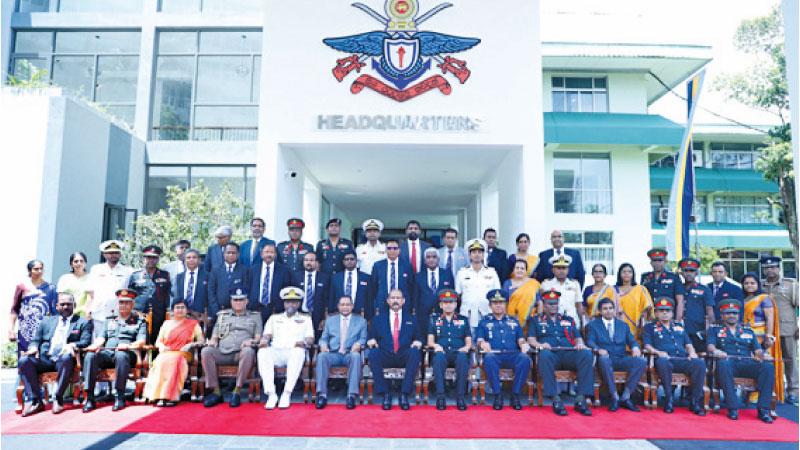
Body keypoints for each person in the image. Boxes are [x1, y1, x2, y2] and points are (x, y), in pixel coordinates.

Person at [18, 292, 91, 416]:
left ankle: (58, 398)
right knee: (24, 360)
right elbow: (36, 339)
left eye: (69, 304)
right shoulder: (47, 321)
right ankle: (36, 400)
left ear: (74, 305)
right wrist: (33, 347)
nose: (66, 307)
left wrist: (73, 345)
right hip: (46, 358)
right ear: (57, 306)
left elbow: (85, 341)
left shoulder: (82, 322)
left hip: (64, 360)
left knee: (67, 357)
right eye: (62, 304)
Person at [707, 299, 775, 423]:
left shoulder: (748, 331)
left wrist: (763, 355)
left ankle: (763, 410)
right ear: (722, 315)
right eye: (728, 313)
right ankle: (733, 408)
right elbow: (710, 346)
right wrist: (717, 351)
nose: (732, 316)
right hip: (728, 362)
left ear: (738, 315)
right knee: (723, 363)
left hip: (746, 363)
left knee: (768, 366)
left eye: (734, 313)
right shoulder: (715, 330)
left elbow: (757, 350)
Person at [528, 290, 593, 416]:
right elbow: (531, 339)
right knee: (544, 355)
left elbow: (577, 337)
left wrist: (580, 344)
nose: (553, 306)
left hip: (568, 353)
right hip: (551, 354)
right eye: (549, 303)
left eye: (555, 303)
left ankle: (580, 399)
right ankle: (556, 399)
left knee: (586, 354)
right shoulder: (536, 320)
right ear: (544, 304)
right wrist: (540, 345)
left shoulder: (568, 319)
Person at [82, 289, 146, 412]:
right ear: (117, 304)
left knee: (121, 355)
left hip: (127, 353)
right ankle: (89, 397)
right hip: (108, 352)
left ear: (132, 304)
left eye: (127, 303)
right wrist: (95, 345)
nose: (123, 305)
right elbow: (101, 337)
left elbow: (141, 341)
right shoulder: (109, 320)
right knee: (90, 356)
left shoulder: (139, 321)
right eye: (121, 302)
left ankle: (120, 396)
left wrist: (128, 346)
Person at [642, 297, 707, 415]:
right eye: (661, 311)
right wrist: (658, 352)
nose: (665, 313)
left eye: (667, 310)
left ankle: (695, 401)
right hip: (665, 359)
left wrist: (692, 352)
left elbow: (688, 344)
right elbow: (647, 346)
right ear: (656, 313)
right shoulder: (650, 327)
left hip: (682, 359)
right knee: (662, 361)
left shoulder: (679, 327)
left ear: (672, 313)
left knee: (700, 363)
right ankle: (668, 399)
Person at [201, 287, 262, 408]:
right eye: (235, 300)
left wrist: (252, 341)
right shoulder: (222, 316)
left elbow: (258, 337)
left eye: (241, 300)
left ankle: (237, 391)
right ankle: (216, 392)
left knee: (249, 351)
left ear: (246, 301)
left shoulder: (255, 316)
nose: (238, 302)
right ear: (231, 301)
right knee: (206, 351)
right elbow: (214, 336)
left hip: (240, 354)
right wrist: (212, 342)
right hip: (223, 352)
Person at [257, 287, 314, 410]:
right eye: (288, 302)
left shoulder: (306, 319)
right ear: (284, 303)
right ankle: (271, 394)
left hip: (293, 351)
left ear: (298, 304)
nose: (291, 304)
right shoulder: (274, 318)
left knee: (298, 352)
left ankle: (286, 393)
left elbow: (310, 338)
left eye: (294, 302)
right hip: (276, 350)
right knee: (262, 352)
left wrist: (303, 342)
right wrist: (264, 340)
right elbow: (267, 335)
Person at [586, 297, 646, 412]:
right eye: (605, 309)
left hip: (621, 358)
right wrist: (598, 349)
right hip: (605, 359)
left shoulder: (623, 325)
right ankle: (614, 397)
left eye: (610, 308)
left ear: (614, 310)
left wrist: (635, 347)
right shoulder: (593, 325)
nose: (608, 311)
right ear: (600, 311)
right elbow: (590, 341)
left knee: (641, 361)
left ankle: (626, 397)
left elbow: (632, 340)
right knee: (603, 359)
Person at [366, 289, 423, 410]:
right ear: (388, 301)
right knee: (373, 353)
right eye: (392, 298)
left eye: (398, 298)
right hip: (386, 354)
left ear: (403, 301)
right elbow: (371, 337)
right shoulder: (378, 319)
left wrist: (418, 341)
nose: (395, 300)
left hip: (403, 354)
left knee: (415, 353)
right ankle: (385, 394)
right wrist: (371, 340)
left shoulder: (411, 318)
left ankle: (404, 394)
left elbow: (419, 337)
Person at [475, 289, 531, 410]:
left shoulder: (514, 321)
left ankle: (515, 395)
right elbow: (479, 340)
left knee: (525, 358)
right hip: (494, 355)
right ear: (490, 305)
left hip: (512, 355)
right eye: (495, 303)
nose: (498, 305)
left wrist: (523, 344)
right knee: (489, 358)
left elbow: (520, 339)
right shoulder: (484, 322)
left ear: (506, 304)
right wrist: (483, 343)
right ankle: (497, 395)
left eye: (501, 302)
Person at [143, 299, 204, 407]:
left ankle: (170, 396)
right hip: (167, 352)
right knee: (160, 361)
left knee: (174, 360)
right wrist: (162, 346)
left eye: (182, 307)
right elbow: (158, 341)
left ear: (187, 310)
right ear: (173, 310)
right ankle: (158, 396)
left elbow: (202, 341)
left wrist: (190, 345)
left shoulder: (193, 324)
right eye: (177, 307)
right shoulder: (167, 324)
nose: (180, 310)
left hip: (183, 354)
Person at [316, 295, 368, 410]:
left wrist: (359, 344)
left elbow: (363, 338)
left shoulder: (361, 321)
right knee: (321, 356)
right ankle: (322, 395)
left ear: (352, 306)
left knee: (356, 356)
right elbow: (323, 338)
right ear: (338, 306)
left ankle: (351, 395)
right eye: (342, 305)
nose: (345, 307)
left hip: (350, 353)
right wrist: (323, 344)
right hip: (333, 353)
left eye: (348, 305)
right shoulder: (330, 321)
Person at [741, 272, 784, 403]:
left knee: (763, 364)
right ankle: (748, 394)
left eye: (752, 283)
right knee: (750, 363)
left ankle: (764, 395)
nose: (749, 285)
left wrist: (769, 336)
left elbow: (770, 318)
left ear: (758, 285)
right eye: (746, 283)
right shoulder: (743, 300)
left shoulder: (764, 298)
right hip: (746, 336)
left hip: (761, 335)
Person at [760, 255, 798, 405]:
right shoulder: (760, 286)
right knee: (768, 361)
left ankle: (793, 391)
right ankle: (773, 389)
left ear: (779, 268)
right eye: (767, 268)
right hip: (766, 332)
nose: (770, 270)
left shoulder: (790, 285)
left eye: (773, 267)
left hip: (786, 329)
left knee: (790, 361)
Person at [428, 289, 472, 411]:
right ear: (440, 305)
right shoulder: (434, 319)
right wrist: (435, 346)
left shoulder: (463, 320)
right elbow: (430, 340)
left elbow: (468, 340)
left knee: (463, 358)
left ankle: (460, 396)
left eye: (451, 302)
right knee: (438, 358)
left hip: (458, 353)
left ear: (456, 304)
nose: (448, 305)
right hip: (442, 352)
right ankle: (440, 396)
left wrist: (466, 347)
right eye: (445, 302)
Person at [86, 240, 133, 341]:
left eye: (116, 252)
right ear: (104, 254)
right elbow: (90, 293)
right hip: (98, 313)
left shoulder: (128, 271)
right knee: (96, 343)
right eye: (110, 253)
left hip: (117, 314)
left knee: (113, 343)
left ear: (120, 254)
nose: (113, 255)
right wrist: (88, 309)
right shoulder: (96, 269)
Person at [10, 260, 57, 358]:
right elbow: (14, 309)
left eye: (41, 269)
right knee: (23, 357)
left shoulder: (51, 288)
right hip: (25, 329)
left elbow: (54, 312)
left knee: (40, 358)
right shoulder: (22, 287)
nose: (39, 271)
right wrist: (11, 329)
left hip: (43, 329)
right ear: (30, 270)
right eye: (36, 269)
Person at [127, 245, 171, 344]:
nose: (151, 260)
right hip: (138, 315)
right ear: (144, 258)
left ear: (158, 259)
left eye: (154, 257)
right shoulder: (135, 275)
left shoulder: (165, 275)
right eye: (148, 257)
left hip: (158, 315)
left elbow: (168, 295)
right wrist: (132, 311)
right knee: (138, 342)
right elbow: (129, 297)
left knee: (157, 343)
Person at [455, 239, 501, 331]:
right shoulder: (462, 273)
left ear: (484, 255)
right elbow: (458, 295)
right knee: (469, 342)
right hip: (467, 315)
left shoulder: (492, 272)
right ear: (469, 255)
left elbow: (497, 294)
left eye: (480, 252)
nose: (477, 254)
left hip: (487, 314)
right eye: (474, 252)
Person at [368, 238, 415, 319]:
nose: (392, 251)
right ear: (385, 250)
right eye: (389, 248)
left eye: (395, 248)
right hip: (382, 302)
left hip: (401, 303)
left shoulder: (407, 266)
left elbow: (411, 286)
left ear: (399, 250)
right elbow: (373, 287)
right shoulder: (378, 265)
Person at [415, 248, 455, 338]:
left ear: (438, 259)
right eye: (428, 257)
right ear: (425, 260)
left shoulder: (447, 274)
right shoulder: (418, 276)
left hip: (443, 315)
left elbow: (453, 295)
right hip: (423, 317)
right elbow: (415, 298)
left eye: (434, 257)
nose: (431, 259)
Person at [249, 243, 291, 324]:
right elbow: (248, 287)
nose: (269, 255)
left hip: (275, 310)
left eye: (271, 252)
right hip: (255, 309)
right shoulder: (253, 269)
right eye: (266, 252)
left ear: (275, 255)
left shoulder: (284, 270)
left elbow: (286, 289)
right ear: (261, 254)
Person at [678, 258, 715, 352]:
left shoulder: (704, 289)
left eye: (692, 270)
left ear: (697, 272)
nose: (688, 273)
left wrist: (711, 330)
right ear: (681, 272)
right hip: (679, 331)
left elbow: (709, 310)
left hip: (698, 332)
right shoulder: (678, 288)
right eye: (686, 270)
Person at [291, 252, 331, 335]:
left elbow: (327, 299)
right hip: (299, 314)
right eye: (306, 260)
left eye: (312, 260)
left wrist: (325, 318)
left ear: (317, 262)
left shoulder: (325, 278)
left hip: (318, 316)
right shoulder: (295, 276)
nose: (308, 262)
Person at [641, 248, 685, 320]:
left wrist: (677, 321)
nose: (657, 263)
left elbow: (680, 301)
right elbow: (642, 300)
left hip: (668, 317)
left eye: (660, 260)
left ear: (665, 262)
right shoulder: (645, 277)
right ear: (651, 262)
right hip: (650, 318)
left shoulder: (673, 277)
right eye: (654, 260)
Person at [208, 243, 250, 318]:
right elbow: (211, 291)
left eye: (233, 253)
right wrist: (216, 311)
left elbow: (247, 291)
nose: (230, 255)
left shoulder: (245, 270)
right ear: (224, 254)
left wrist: (240, 310)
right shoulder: (215, 270)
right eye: (228, 252)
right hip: (219, 311)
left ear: (238, 254)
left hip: (239, 313)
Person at [540, 254, 583, 326]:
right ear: (553, 270)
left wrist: (582, 323)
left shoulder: (574, 284)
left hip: (572, 322)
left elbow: (579, 305)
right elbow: (542, 305)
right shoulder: (546, 284)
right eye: (558, 268)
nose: (561, 271)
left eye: (564, 268)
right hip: (553, 323)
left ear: (568, 270)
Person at [614, 263, 653, 341]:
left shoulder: (640, 289)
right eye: (624, 272)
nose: (626, 274)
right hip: (617, 326)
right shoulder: (613, 290)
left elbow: (647, 308)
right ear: (619, 274)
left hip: (636, 326)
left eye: (629, 272)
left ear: (633, 274)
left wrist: (642, 325)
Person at [505, 259, 541, 333]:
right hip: (512, 320)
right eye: (517, 268)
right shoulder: (507, 283)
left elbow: (539, 302)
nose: (519, 270)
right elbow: (505, 302)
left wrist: (539, 318)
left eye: (522, 268)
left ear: (526, 271)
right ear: (513, 270)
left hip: (530, 320)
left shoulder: (533, 283)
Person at [173, 249, 209, 326]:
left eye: (194, 257)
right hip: (183, 316)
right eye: (188, 257)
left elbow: (210, 297)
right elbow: (177, 297)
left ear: (199, 260)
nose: (191, 259)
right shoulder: (179, 277)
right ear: (184, 260)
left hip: (201, 317)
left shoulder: (207, 276)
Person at [330, 248, 370, 316]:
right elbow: (331, 296)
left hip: (360, 314)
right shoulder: (335, 278)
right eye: (347, 259)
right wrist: (331, 312)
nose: (349, 261)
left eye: (352, 259)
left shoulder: (366, 277)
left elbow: (369, 298)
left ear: (356, 261)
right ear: (343, 261)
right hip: (339, 313)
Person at [56, 252, 91, 318]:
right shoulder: (64, 279)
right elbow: (60, 298)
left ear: (85, 263)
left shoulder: (90, 278)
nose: (79, 263)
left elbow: (90, 299)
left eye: (81, 261)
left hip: (83, 316)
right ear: (71, 264)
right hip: (66, 314)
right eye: (76, 261)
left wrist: (80, 311)